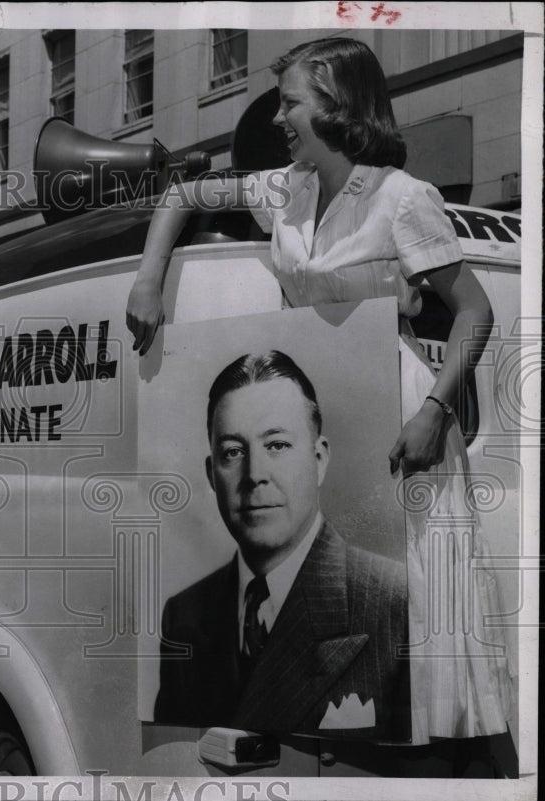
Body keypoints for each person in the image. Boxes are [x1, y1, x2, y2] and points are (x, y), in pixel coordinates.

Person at [128, 37, 512, 743]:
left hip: (403, 417)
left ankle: (441, 764)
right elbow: (183, 190)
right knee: (339, 606)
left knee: (414, 611)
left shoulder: (404, 199)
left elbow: (475, 310)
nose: (279, 118)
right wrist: (149, 279)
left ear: (337, 106)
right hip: (322, 407)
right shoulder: (285, 189)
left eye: (291, 102)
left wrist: (435, 412)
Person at [155, 351, 411, 739]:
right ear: (212, 475)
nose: (255, 475)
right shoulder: (184, 617)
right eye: (233, 452)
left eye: (276, 445)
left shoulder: (393, 602)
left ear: (319, 458)